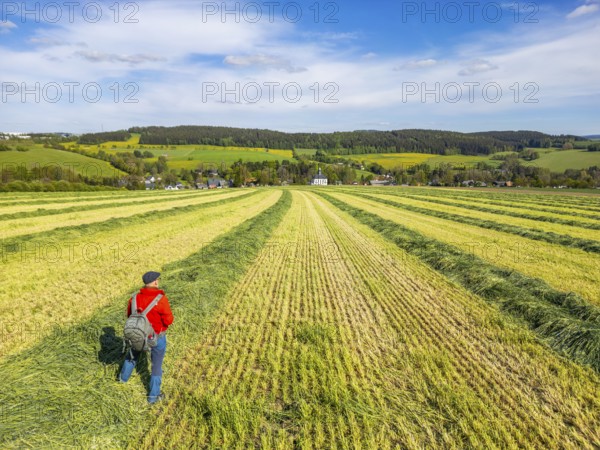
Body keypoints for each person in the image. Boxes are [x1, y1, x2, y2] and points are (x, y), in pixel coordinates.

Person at [119, 271, 174, 404]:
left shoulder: (134, 298)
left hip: (137, 335)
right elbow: (168, 320)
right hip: (156, 337)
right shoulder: (161, 299)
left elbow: (129, 316)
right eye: (158, 280)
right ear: (155, 282)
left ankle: (122, 380)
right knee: (156, 365)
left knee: (132, 355)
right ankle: (153, 397)